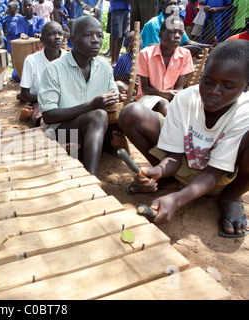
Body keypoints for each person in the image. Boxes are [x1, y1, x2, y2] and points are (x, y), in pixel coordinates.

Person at [118, 39, 249, 238]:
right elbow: (174, 156)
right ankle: (168, 181)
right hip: (182, 168)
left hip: (220, 178)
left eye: (228, 86)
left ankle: (230, 198)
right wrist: (159, 171)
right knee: (132, 113)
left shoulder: (244, 113)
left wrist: (177, 200)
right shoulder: (185, 98)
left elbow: (214, 173)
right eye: (207, 81)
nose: (214, 91)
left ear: (246, 86)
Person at [38, 15, 125, 176]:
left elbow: (114, 97)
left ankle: (83, 149)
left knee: (130, 111)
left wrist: (120, 101)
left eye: (99, 35)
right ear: (73, 40)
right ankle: (90, 176)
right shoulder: (54, 70)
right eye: (87, 35)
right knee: (97, 115)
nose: (95, 40)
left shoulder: (104, 66)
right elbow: (49, 116)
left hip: (96, 129)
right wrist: (91, 105)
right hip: (63, 131)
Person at [136, 16, 194, 116]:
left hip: (172, 97)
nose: (177, 36)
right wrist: (164, 94)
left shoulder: (185, 55)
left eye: (180, 33)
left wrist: (172, 96)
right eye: (173, 32)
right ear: (161, 35)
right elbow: (145, 88)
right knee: (164, 104)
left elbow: (179, 88)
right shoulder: (145, 54)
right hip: (148, 97)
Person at [19, 22, 68, 127]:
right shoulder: (31, 60)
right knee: (45, 123)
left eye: (60, 34)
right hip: (41, 102)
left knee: (73, 121)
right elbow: (24, 94)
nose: (57, 37)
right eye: (52, 34)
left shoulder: (69, 58)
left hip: (66, 101)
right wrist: (48, 98)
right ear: (42, 39)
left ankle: (69, 141)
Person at [109, 0, 131, 67]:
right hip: (117, 7)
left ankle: (117, 58)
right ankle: (113, 60)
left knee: (122, 34)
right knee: (116, 34)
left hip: (127, 8)